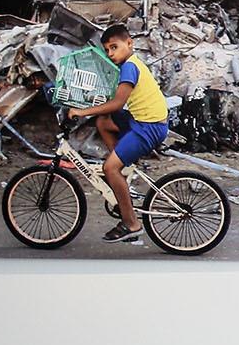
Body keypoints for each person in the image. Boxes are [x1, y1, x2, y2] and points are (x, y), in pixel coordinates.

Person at [64, 23, 171, 244]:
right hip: (142, 119)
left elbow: (117, 103)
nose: (111, 53)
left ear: (129, 43)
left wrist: (82, 112)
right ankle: (120, 168)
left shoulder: (130, 67)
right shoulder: (129, 65)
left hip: (148, 126)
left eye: (114, 47)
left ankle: (131, 224)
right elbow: (112, 100)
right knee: (103, 122)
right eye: (107, 50)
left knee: (109, 168)